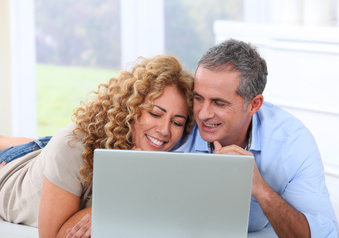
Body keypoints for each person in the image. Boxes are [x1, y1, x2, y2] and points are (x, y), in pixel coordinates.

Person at [0, 55, 194, 238]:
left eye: (177, 122)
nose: (165, 130)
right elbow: (54, 235)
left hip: (47, 151)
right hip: (11, 169)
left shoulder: (168, 155)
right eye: (155, 114)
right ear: (131, 108)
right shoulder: (72, 146)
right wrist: (109, 205)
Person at [172, 38, 339, 237]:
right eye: (198, 98)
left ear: (254, 105)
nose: (203, 113)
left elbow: (327, 234)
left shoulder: (292, 142)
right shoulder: (177, 124)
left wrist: (260, 189)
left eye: (219, 103)